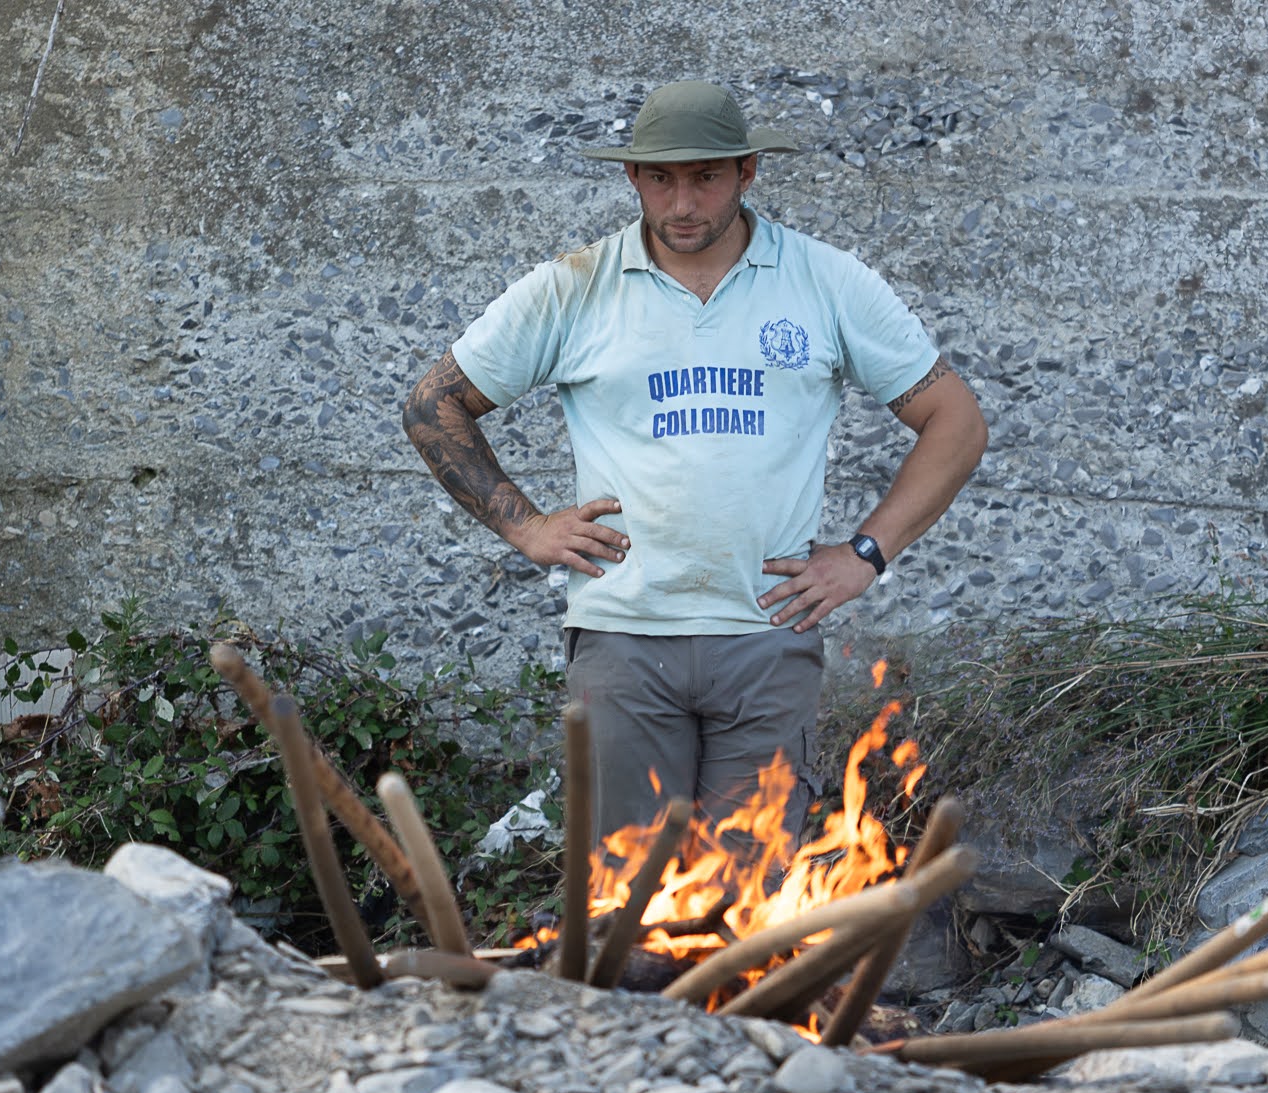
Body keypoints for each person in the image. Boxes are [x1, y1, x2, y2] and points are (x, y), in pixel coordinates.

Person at [403, 80, 987, 846]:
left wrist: (864, 555)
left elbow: (956, 422)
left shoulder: (826, 282)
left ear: (748, 172)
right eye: (661, 178)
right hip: (622, 639)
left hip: (766, 637)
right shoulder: (576, 287)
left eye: (706, 177)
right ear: (632, 177)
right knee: (627, 886)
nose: (682, 203)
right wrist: (528, 527)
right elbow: (432, 406)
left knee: (749, 889)